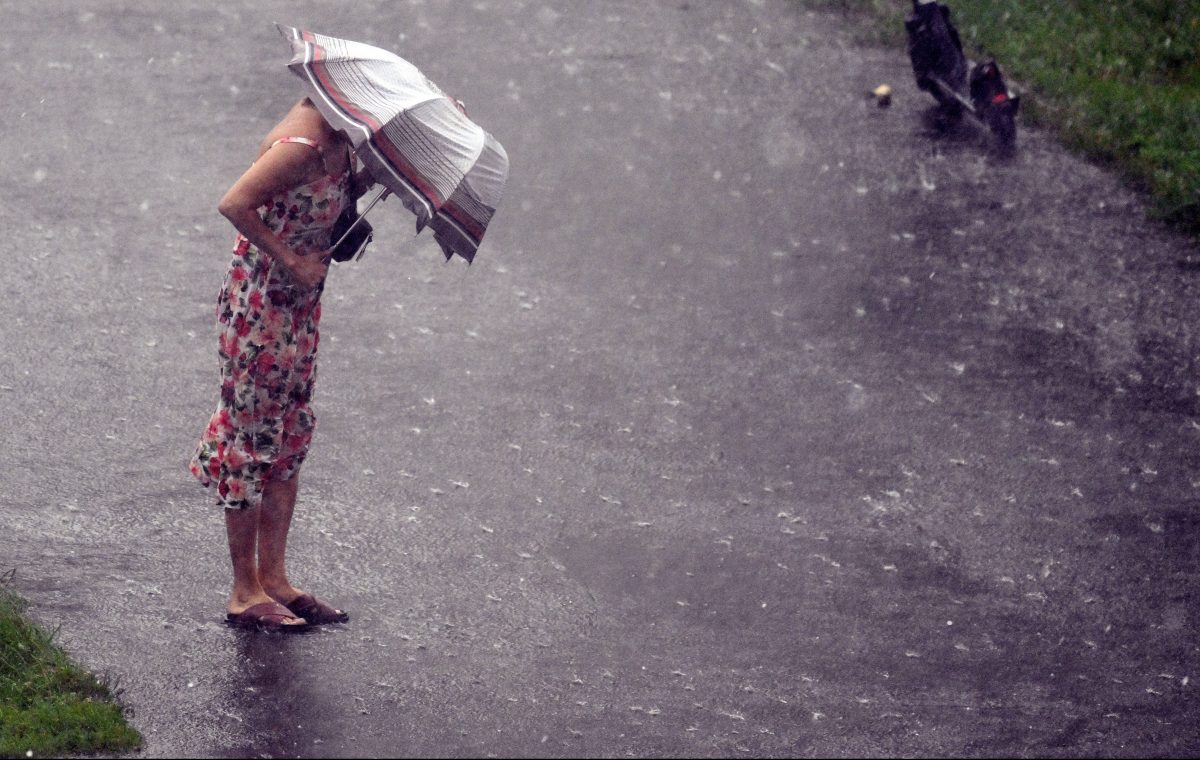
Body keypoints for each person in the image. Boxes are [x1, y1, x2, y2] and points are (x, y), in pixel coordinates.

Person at [189, 97, 373, 632]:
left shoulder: (343, 145)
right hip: (261, 308)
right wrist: (291, 259)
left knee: (290, 432)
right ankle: (244, 592)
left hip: (298, 309)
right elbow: (234, 204)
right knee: (250, 439)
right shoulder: (303, 147)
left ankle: (275, 578)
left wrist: (360, 190)